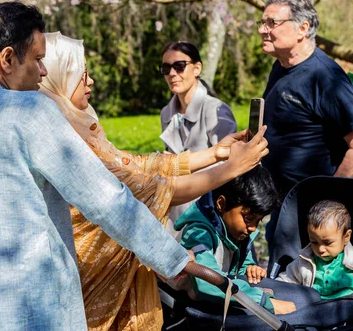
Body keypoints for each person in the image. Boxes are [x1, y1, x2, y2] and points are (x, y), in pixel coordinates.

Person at [0, 2, 195, 331]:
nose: (43, 72)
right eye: (38, 59)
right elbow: (105, 198)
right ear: (8, 59)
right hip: (34, 314)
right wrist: (173, 259)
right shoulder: (29, 110)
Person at [39, 32, 269, 330]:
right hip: (90, 274)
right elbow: (138, 188)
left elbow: (137, 165)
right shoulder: (62, 135)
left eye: (180, 66)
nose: (91, 81)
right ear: (59, 77)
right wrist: (229, 169)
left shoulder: (80, 126)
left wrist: (216, 153)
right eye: (81, 74)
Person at [258, 0, 353, 247]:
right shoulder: (280, 66)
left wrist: (332, 201)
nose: (262, 30)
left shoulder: (326, 77)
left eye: (271, 23)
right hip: (282, 205)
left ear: (303, 28)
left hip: (313, 215)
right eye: (262, 22)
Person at [174, 166, 297, 315]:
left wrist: (250, 267)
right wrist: (263, 302)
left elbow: (239, 262)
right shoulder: (198, 234)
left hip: (224, 297)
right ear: (221, 204)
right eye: (248, 219)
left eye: (258, 221)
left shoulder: (235, 230)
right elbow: (207, 282)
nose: (252, 228)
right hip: (192, 308)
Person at [159, 41, 237, 238]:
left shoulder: (215, 110)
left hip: (208, 212)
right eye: (166, 68)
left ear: (197, 68)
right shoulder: (166, 114)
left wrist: (178, 164)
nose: (172, 74)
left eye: (179, 66)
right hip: (176, 208)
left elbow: (230, 166)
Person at [278, 200, 353, 299]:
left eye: (327, 243)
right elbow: (285, 281)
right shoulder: (304, 262)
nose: (321, 249)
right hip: (315, 309)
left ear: (346, 237)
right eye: (314, 242)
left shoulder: (351, 261)